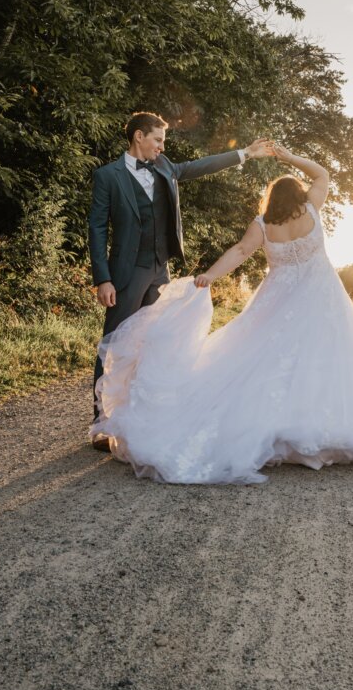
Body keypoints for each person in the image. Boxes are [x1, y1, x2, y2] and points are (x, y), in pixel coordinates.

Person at [88, 145, 353, 482]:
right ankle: (316, 431)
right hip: (324, 299)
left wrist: (210, 276)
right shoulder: (312, 208)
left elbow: (241, 251)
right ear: (299, 193)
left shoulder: (263, 224)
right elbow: (322, 174)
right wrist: (288, 157)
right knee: (325, 358)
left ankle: (279, 430)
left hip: (277, 300)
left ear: (270, 199)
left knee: (263, 361)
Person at [88, 109, 274, 444]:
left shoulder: (163, 166)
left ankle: (137, 418)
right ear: (138, 137)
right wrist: (103, 278)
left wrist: (244, 153)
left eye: (163, 141)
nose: (161, 146)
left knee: (153, 343)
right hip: (127, 273)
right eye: (157, 139)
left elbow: (197, 167)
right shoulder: (108, 176)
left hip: (160, 270)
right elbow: (97, 230)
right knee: (114, 343)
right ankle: (101, 423)